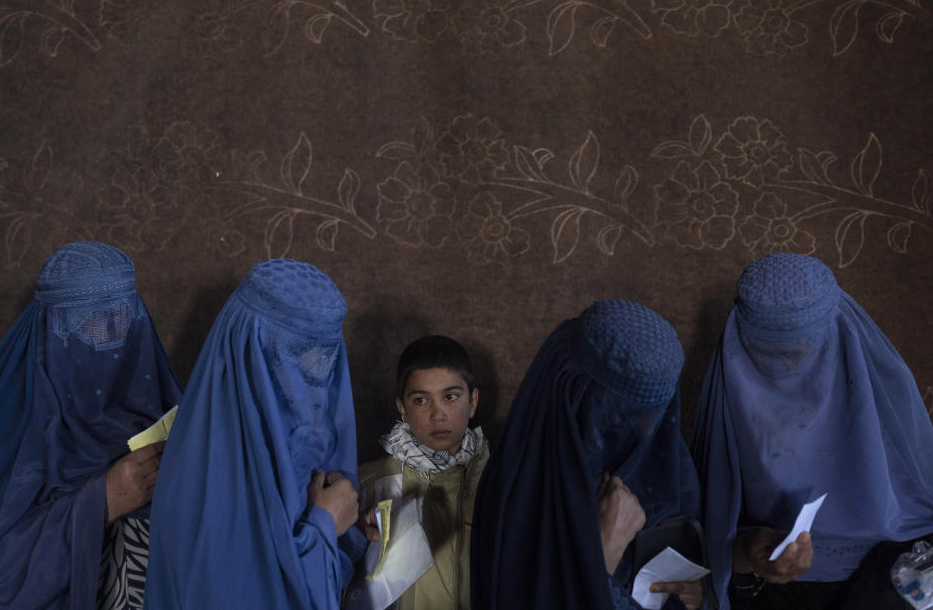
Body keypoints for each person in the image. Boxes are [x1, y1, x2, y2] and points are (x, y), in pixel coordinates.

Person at [693, 252, 933, 609]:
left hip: (890, 581)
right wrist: (751, 555)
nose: (783, 370)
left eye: (801, 351)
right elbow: (705, 547)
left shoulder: (887, 397)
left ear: (841, 332)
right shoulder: (725, 404)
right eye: (762, 355)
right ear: (736, 343)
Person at [144, 259, 364, 610]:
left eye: (323, 357)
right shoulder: (207, 481)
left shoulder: (299, 442)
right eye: (295, 355)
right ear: (249, 351)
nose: (313, 375)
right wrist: (324, 525)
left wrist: (349, 531)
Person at [0, 241, 180, 610]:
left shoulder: (162, 417)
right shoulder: (10, 434)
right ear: (53, 334)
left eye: (122, 318)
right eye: (91, 323)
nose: (112, 335)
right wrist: (100, 501)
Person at [471, 300, 706, 609]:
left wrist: (696, 597)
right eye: (616, 414)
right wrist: (602, 561)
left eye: (652, 417)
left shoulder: (667, 465)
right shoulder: (522, 490)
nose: (640, 428)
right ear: (573, 397)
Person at [354, 335, 489, 609]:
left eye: (450, 397)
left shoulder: (501, 481)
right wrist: (355, 533)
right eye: (421, 400)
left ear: (473, 402)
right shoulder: (368, 482)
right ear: (402, 408)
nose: (437, 414)